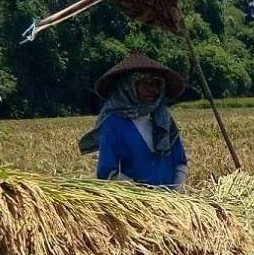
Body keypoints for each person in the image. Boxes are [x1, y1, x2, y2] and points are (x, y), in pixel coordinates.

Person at [79, 52, 189, 189]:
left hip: (170, 204)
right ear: (128, 87)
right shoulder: (114, 123)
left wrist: (175, 194)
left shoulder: (164, 119)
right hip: (134, 204)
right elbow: (108, 173)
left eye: (155, 84)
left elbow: (180, 163)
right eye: (143, 83)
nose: (151, 89)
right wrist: (144, 196)